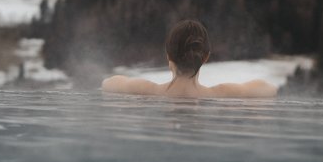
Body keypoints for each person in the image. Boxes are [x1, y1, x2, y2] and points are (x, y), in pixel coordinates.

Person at [101, 19, 278, 98]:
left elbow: (108, 83)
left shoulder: (148, 91)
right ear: (206, 57)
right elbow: (269, 89)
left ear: (168, 55)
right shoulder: (220, 94)